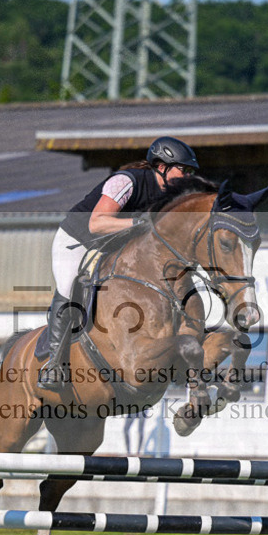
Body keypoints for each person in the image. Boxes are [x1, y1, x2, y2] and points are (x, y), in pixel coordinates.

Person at [39, 136, 200, 391]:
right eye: (184, 169)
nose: (188, 176)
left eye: (191, 171)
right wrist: (138, 224)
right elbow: (97, 223)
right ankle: (53, 364)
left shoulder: (171, 196)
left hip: (117, 245)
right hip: (79, 241)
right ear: (161, 166)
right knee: (69, 289)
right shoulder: (126, 181)